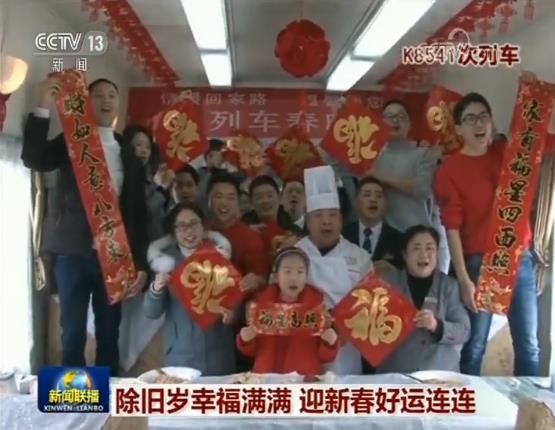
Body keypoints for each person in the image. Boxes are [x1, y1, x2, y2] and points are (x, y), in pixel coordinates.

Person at [21, 77, 148, 375]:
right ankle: (75, 398)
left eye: (112, 95)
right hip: (73, 254)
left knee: (109, 332)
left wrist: (140, 263)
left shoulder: (127, 152)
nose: (106, 100)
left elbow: (138, 215)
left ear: (118, 103)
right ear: (86, 103)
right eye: (98, 95)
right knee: (72, 332)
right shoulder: (72, 140)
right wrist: (43, 106)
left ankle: (106, 398)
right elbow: (33, 158)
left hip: (114, 257)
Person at [433, 91, 540, 376]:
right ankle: (470, 403)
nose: (479, 124)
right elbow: (452, 227)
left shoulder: (507, 154)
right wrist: (463, 280)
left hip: (518, 258)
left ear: (492, 122)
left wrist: (533, 94)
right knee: (474, 347)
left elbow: (538, 137)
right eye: (470, 119)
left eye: (484, 117)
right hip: (477, 263)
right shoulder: (449, 168)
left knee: (529, 345)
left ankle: (526, 403)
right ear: (458, 128)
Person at [296, 166, 372, 374]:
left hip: (347, 348)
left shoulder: (360, 257)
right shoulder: (293, 255)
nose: (326, 221)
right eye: (318, 215)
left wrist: (342, 330)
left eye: (332, 215)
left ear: (341, 219)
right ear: (308, 221)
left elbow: (370, 306)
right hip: (303, 346)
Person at [144, 202, 236, 375]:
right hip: (181, 354)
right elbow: (151, 312)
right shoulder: (165, 261)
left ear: (203, 227)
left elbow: (234, 301)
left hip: (218, 352)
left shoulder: (219, 255)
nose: (189, 231)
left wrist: (232, 314)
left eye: (194, 224)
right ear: (173, 232)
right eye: (182, 226)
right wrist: (156, 288)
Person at [376, 225, 470, 373]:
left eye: (430, 248)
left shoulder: (449, 286)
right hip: (395, 373)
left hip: (439, 375)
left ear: (437, 253)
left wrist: (437, 326)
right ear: (404, 254)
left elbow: (464, 331)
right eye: (416, 248)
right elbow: (367, 327)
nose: (424, 254)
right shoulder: (387, 283)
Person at [237, 247, 339, 375]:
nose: (294, 278)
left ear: (306, 277)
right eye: (287, 271)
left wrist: (330, 343)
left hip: (303, 380)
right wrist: (245, 340)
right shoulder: (261, 305)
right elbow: (251, 352)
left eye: (300, 272)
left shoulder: (317, 307)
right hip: (267, 379)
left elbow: (325, 357)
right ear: (276, 276)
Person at [367, 100, 440, 232]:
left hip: (416, 234)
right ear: (380, 123)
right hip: (381, 235)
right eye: (390, 116)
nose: (395, 120)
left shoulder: (424, 154)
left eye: (401, 116)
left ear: (409, 124)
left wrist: (380, 177)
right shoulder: (371, 157)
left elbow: (422, 189)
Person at [343, 177, 403, 269]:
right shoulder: (343, 236)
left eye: (379, 196)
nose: (373, 199)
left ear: (385, 204)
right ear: (355, 202)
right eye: (367, 195)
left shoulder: (399, 240)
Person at [124, 124, 168, 242]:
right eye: (139, 145)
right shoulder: (122, 178)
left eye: (148, 147)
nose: (144, 150)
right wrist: (159, 188)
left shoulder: (152, 180)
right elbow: (141, 212)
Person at [242, 175, 302, 256]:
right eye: (259, 197)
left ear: (280, 197)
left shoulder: (293, 231)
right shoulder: (244, 228)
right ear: (251, 202)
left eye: (270, 195)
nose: (265, 201)